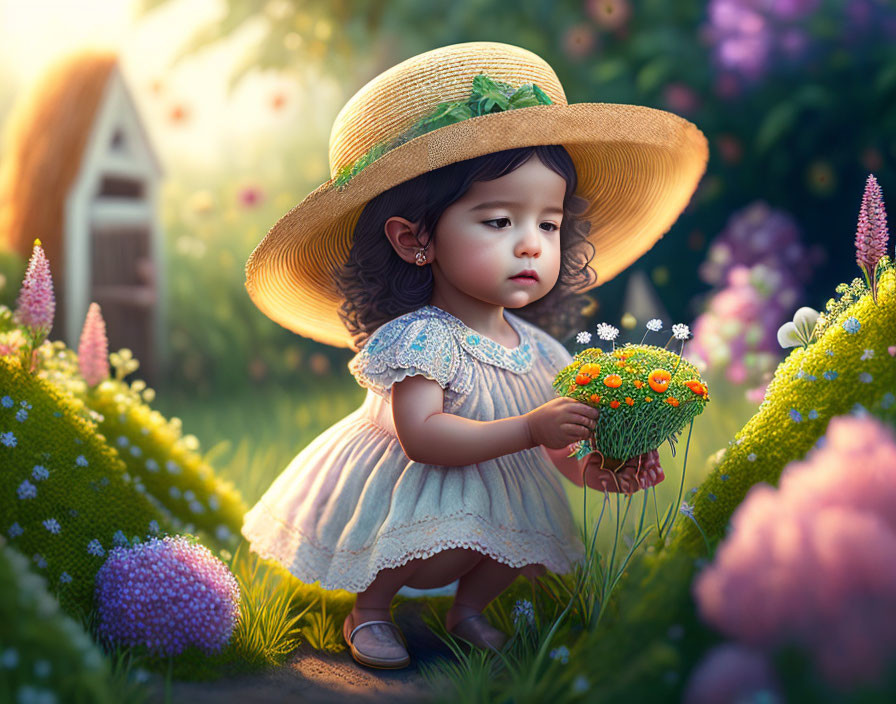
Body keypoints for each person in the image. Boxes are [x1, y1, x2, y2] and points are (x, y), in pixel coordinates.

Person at [241, 41, 708, 670]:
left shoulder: (539, 350)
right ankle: (371, 607)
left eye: (547, 224)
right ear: (415, 239)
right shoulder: (423, 339)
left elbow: (556, 451)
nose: (531, 247)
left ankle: (468, 609)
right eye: (497, 222)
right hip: (414, 486)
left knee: (516, 535)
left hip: (497, 490)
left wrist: (598, 468)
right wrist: (528, 428)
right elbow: (423, 438)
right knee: (405, 542)